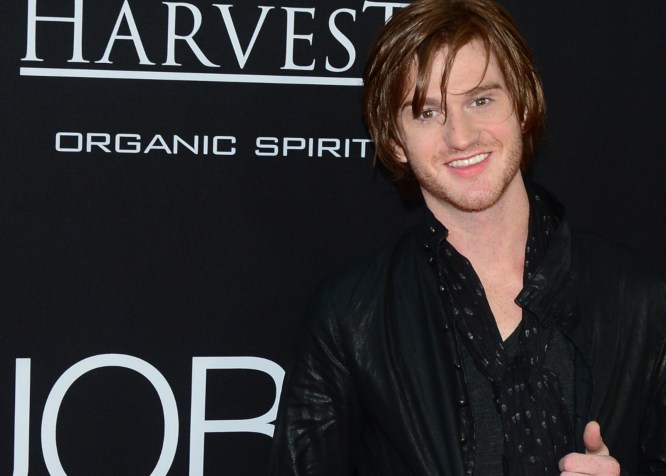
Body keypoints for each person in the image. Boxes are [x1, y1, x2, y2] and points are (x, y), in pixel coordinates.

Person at [269, 0, 666, 474]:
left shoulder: (641, 299)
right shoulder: (349, 319)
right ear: (395, 141)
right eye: (427, 113)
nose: (460, 136)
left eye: (481, 100)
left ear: (523, 105)